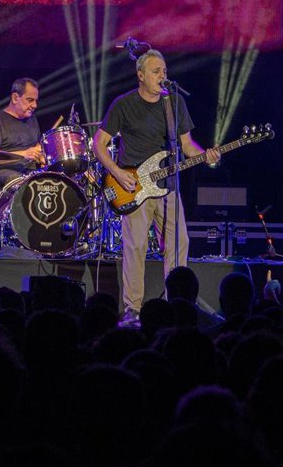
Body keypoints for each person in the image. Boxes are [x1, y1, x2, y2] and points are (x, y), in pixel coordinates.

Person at [93, 49, 220, 323]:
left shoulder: (173, 103)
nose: (162, 75)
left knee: (179, 242)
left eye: (164, 70)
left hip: (168, 187)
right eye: (155, 71)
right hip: (133, 187)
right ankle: (133, 308)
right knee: (135, 246)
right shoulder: (123, 104)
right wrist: (117, 172)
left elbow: (187, 145)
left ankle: (176, 301)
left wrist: (206, 156)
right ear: (140, 75)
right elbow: (98, 144)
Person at [0, 77, 44, 192]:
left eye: (36, 101)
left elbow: (36, 149)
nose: (35, 105)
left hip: (28, 172)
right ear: (15, 98)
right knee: (17, 179)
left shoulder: (32, 119)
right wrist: (24, 154)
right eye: (30, 100)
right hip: (1, 173)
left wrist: (41, 156)